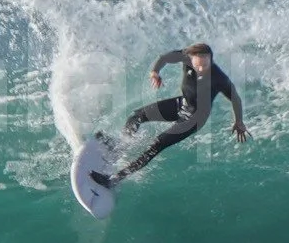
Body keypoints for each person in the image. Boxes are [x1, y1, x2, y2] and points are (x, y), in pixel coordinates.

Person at [94, 43, 247, 187]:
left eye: (205, 65)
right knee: (136, 116)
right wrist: (155, 71)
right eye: (197, 65)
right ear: (190, 59)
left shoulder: (219, 78)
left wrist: (239, 121)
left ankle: (114, 180)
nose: (200, 69)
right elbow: (164, 58)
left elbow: (236, 98)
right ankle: (120, 146)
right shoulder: (185, 56)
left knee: (156, 144)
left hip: (195, 118)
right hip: (182, 104)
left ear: (211, 59)